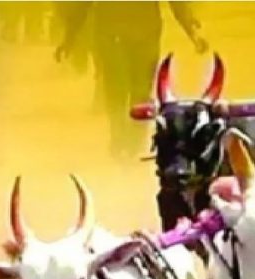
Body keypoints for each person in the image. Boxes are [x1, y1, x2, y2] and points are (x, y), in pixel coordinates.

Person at [54, 1, 209, 160]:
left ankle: (133, 144)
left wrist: (191, 30)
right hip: (116, 33)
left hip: (140, 33)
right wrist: (68, 39)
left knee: (138, 92)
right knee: (119, 90)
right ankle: (122, 140)